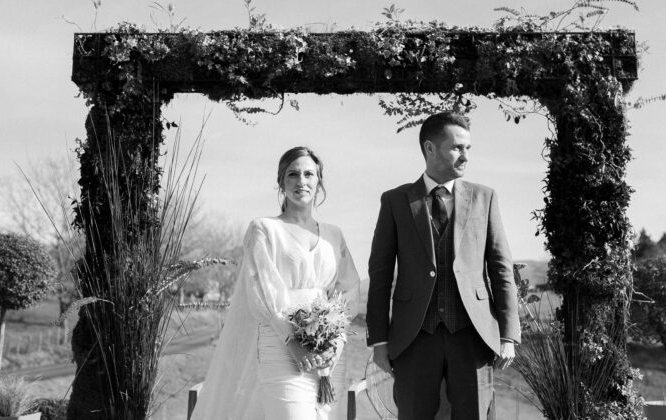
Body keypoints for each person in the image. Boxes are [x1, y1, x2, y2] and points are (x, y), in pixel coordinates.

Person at [366, 111, 520, 420]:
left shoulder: (484, 198)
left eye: (468, 149)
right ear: (430, 149)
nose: (465, 156)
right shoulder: (395, 201)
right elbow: (380, 275)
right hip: (414, 337)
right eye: (457, 148)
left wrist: (508, 334)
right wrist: (379, 340)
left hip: (472, 336)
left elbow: (501, 269)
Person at [191, 146, 360, 420]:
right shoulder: (264, 229)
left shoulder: (334, 235)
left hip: (328, 355)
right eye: (292, 174)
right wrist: (292, 341)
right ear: (281, 182)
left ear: (319, 182)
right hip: (282, 346)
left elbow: (349, 289)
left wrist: (336, 342)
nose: (301, 181)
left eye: (309, 174)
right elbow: (261, 291)